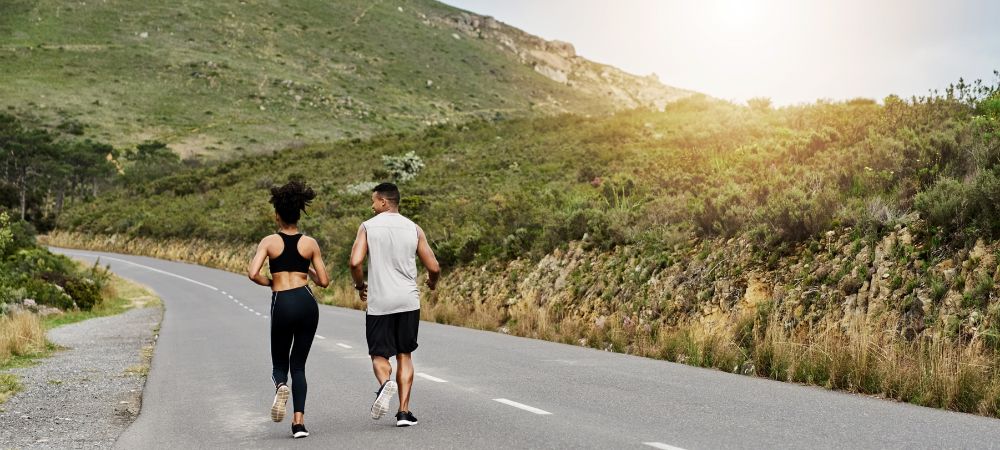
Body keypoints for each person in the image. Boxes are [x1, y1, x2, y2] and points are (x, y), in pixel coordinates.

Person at [349, 182, 440, 427]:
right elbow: (434, 267)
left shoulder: (368, 227)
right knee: (404, 354)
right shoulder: (414, 228)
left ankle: (384, 385)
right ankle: (403, 412)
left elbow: (355, 262)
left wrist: (360, 286)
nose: (372, 206)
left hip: (380, 302)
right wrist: (432, 283)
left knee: (379, 354)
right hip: (408, 300)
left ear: (383, 202)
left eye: (373, 201)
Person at [248, 180, 330, 439]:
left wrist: (272, 282)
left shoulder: (269, 241)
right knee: (299, 365)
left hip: (282, 301)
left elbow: (253, 273)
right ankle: (299, 424)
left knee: (279, 363)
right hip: (307, 302)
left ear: (277, 215)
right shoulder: (310, 243)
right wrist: (307, 269)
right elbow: (324, 281)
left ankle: (281, 386)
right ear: (298, 215)